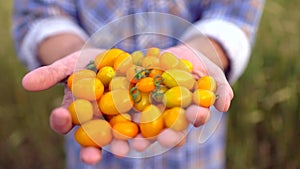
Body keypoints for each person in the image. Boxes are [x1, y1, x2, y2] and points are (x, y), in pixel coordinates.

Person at [12, 1, 264, 169]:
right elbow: (39, 14)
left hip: (195, 152)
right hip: (97, 153)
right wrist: (74, 53)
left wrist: (203, 50)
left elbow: (234, 14)